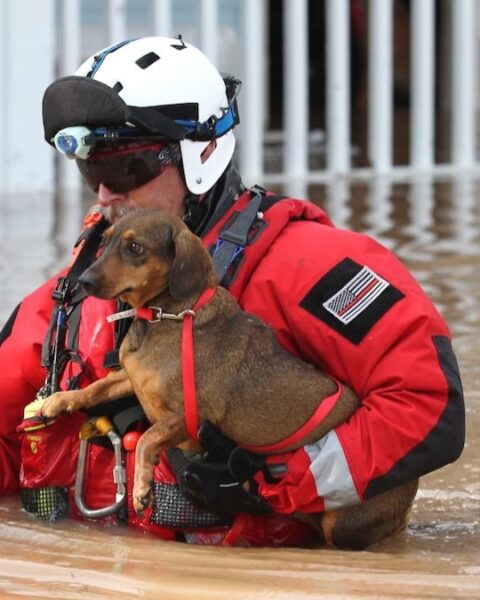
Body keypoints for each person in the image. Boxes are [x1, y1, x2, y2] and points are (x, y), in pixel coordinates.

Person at [0, 36, 465, 547]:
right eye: (93, 170)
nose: (106, 193)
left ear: (200, 154)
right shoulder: (72, 296)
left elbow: (429, 403)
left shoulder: (307, 265)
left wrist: (272, 483)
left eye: (124, 168)